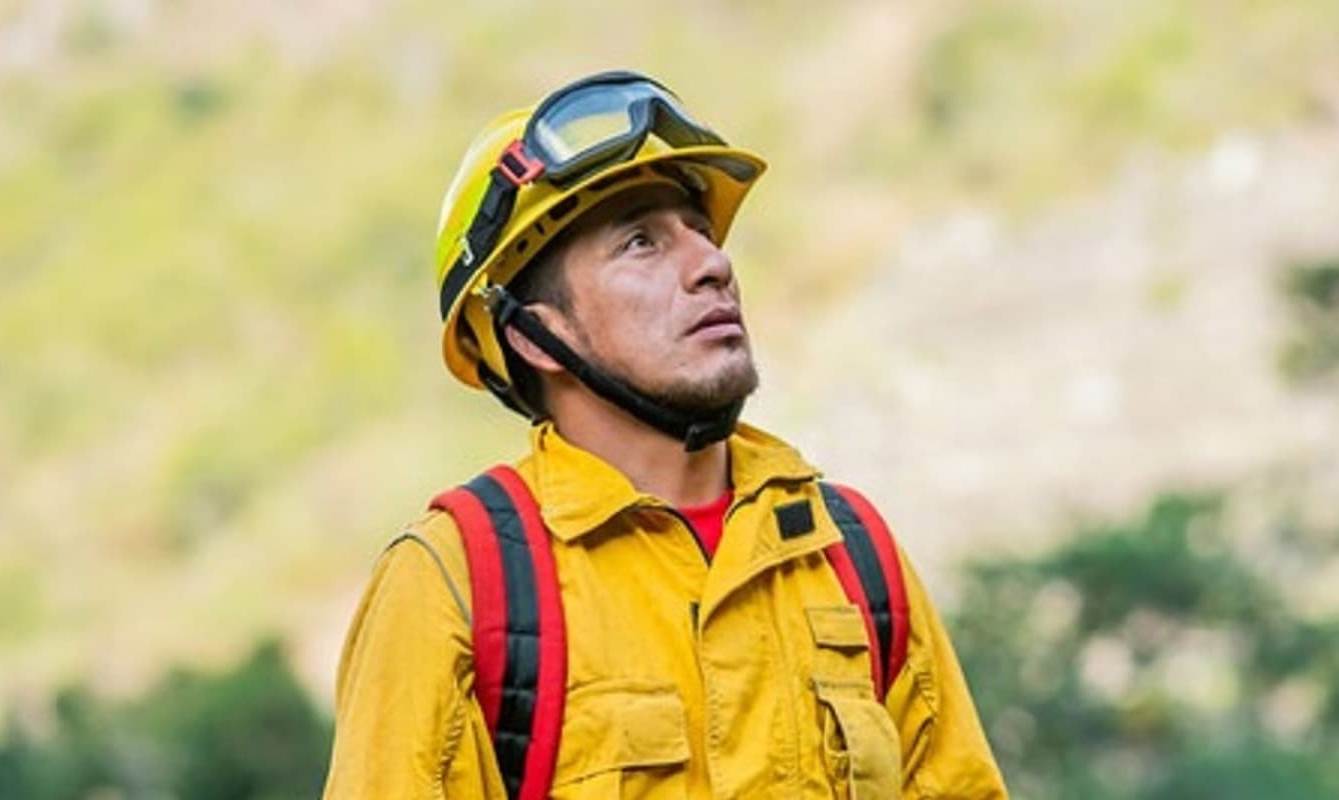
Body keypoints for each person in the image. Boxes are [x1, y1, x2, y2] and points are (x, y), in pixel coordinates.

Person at [321, 70, 1007, 799]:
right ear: (538, 337)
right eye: (641, 243)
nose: (712, 266)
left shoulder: (849, 552)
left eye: (701, 232)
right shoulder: (457, 584)